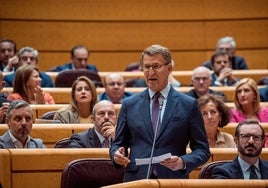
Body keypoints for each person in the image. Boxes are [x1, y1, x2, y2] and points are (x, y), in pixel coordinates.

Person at [110, 44, 210, 181]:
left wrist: (183, 162)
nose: (150, 72)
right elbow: (118, 144)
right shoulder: (129, 104)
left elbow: (202, 150)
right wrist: (116, 154)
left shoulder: (188, 104)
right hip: (137, 180)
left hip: (172, 179)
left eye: (156, 66)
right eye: (146, 67)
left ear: (169, 68)